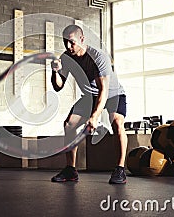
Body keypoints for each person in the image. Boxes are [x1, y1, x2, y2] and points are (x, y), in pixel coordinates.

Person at [50, 24, 128, 184]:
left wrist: (94, 117)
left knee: (117, 123)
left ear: (82, 39)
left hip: (113, 94)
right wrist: (55, 71)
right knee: (69, 124)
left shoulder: (98, 57)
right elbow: (58, 86)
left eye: (72, 42)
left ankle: (120, 169)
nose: (68, 46)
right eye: (65, 42)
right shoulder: (66, 58)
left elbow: (103, 91)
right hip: (89, 96)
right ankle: (71, 170)